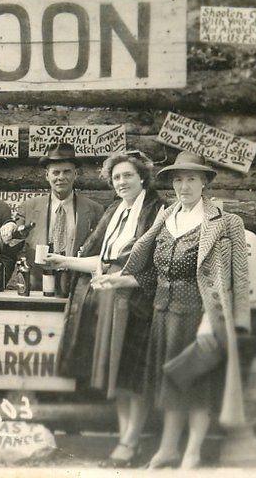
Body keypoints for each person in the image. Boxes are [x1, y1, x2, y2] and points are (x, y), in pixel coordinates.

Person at [91, 151, 251, 469]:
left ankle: (191, 451)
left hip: (200, 315)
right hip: (162, 314)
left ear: (204, 182)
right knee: (168, 385)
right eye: (178, 179)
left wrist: (218, 323)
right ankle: (168, 448)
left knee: (196, 385)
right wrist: (119, 281)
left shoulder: (227, 223)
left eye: (191, 179)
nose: (184, 186)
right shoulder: (167, 218)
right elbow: (153, 271)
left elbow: (239, 279)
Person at [47, 150, 165, 468]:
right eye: (116, 177)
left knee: (132, 375)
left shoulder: (158, 211)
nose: (122, 182)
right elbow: (102, 259)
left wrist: (122, 280)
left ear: (142, 177)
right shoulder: (116, 210)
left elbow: (156, 264)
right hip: (113, 300)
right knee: (119, 375)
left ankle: (130, 442)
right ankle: (128, 439)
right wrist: (65, 261)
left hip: (138, 301)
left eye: (128, 175)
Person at [0, 142, 104, 290]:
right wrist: (9, 231)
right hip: (37, 286)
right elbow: (11, 242)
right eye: (56, 173)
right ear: (47, 176)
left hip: (77, 286)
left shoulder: (94, 210)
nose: (61, 177)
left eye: (66, 172)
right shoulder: (29, 207)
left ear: (75, 174)